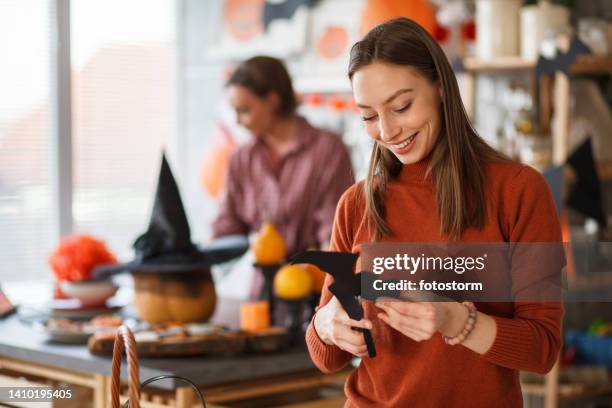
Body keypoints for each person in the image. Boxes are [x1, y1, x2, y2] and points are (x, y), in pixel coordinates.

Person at [306, 18, 563, 407]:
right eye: (369, 116)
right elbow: (328, 358)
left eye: (401, 106)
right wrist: (325, 326)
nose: (388, 131)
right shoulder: (357, 204)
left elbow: (542, 350)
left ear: (441, 87)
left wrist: (456, 321)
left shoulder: (518, 191)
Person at [212, 56, 355, 291]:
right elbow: (227, 227)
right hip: (262, 294)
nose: (237, 121)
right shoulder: (241, 159)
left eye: (245, 110)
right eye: (234, 112)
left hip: (313, 290)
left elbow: (334, 232)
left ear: (272, 100)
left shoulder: (327, 150)